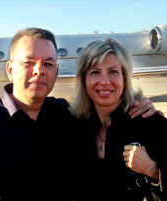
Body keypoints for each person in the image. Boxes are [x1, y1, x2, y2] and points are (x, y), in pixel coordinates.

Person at [0, 28, 157, 201]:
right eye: (28, 62)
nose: (39, 70)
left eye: (48, 64)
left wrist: (140, 104)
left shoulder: (66, 115)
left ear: (56, 72)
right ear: (10, 69)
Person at [70, 38, 167, 201]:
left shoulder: (150, 123)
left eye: (113, 71)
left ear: (124, 78)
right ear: (83, 80)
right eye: (95, 72)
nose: (104, 81)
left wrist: (152, 170)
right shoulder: (74, 126)